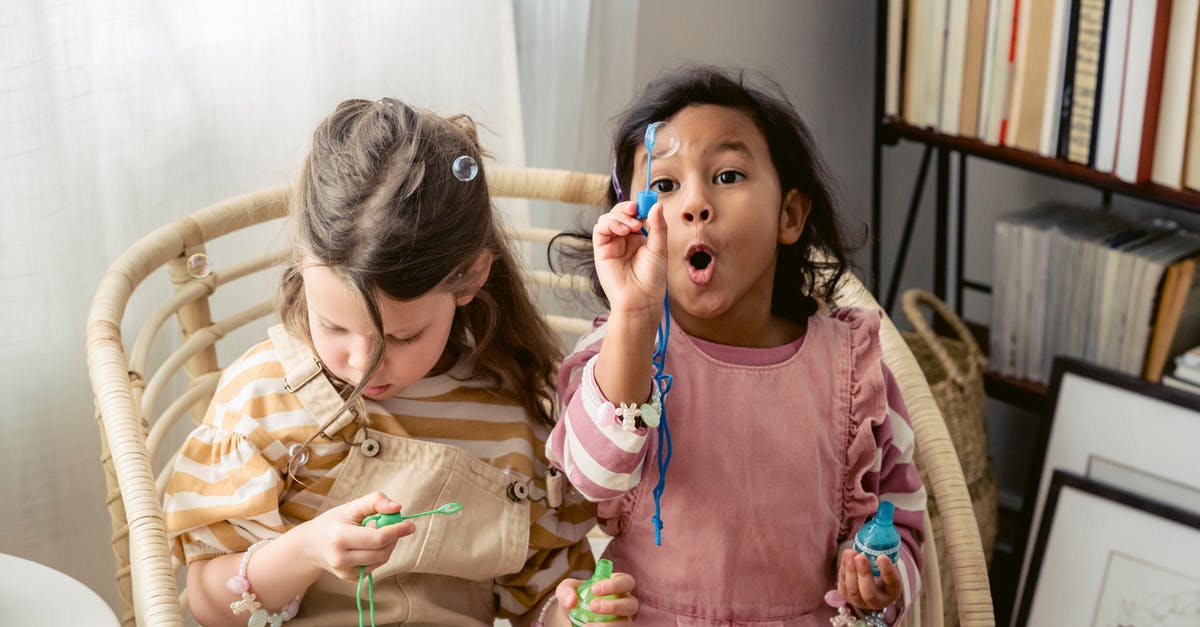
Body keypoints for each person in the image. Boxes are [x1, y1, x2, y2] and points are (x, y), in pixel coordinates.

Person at [163, 98, 638, 626]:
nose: (363, 362)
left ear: (471, 279)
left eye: (404, 336)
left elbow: (540, 601)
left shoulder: (513, 416)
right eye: (334, 326)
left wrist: (573, 615)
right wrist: (305, 552)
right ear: (303, 266)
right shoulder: (264, 397)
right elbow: (208, 603)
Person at [547, 66, 926, 626]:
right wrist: (633, 315)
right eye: (666, 186)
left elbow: (903, 521)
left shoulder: (853, 373)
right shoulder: (625, 351)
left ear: (790, 215)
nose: (695, 204)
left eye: (727, 175)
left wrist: (878, 582)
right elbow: (590, 476)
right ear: (633, 225)